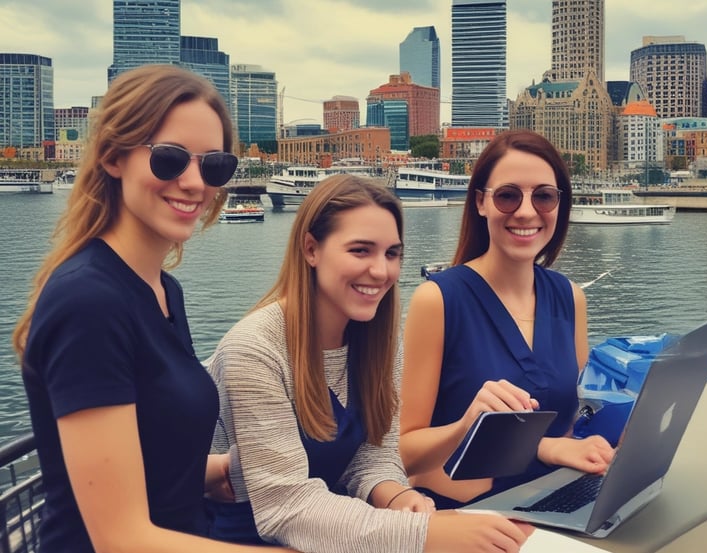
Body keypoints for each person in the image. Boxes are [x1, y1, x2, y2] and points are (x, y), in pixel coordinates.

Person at [12, 64, 295, 553]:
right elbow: (121, 538)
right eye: (169, 159)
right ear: (112, 157)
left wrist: (221, 469)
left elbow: (144, 454)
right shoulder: (89, 303)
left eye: (213, 166)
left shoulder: (162, 290)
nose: (193, 183)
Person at [205, 174, 534, 552]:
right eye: (361, 250)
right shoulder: (255, 348)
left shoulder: (376, 341)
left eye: (392, 253)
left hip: (338, 533)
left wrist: (396, 497)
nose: (381, 271)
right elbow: (285, 505)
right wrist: (425, 534)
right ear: (311, 249)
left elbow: (374, 455)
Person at [399, 129, 615, 509]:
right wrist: (536, 445)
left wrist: (609, 439)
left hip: (558, 502)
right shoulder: (438, 300)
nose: (527, 211)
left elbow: (568, 424)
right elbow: (406, 453)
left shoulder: (571, 298)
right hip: (473, 514)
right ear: (481, 202)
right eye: (508, 195)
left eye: (544, 196)